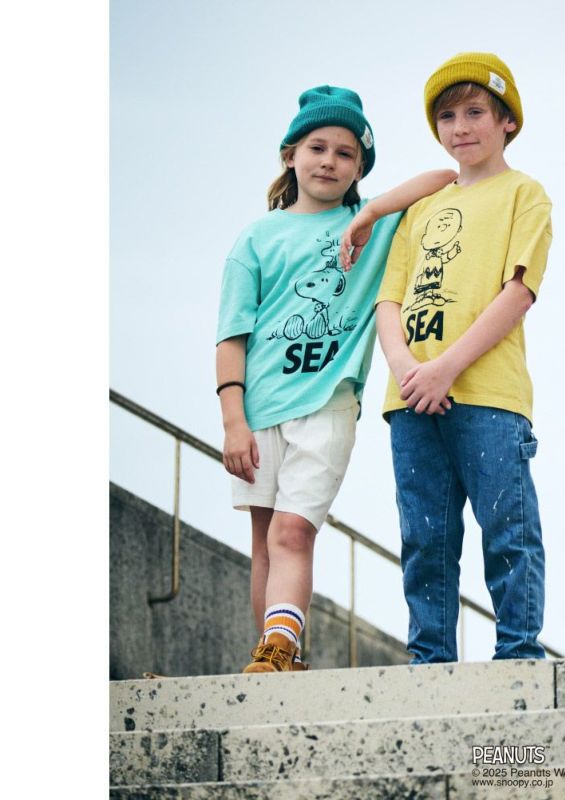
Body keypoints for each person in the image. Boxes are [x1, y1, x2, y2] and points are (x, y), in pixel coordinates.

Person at [216, 85, 455, 673]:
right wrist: (233, 423)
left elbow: (444, 177)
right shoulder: (256, 238)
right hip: (259, 410)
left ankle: (282, 647)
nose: (329, 161)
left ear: (359, 169)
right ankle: (275, 658)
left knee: (293, 533)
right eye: (317, 147)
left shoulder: (370, 226)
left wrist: (369, 213)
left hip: (327, 404)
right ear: (290, 155)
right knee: (265, 542)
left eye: (346, 153)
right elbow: (231, 337)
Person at [371, 52, 553, 662]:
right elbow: (389, 299)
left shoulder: (524, 194)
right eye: (447, 117)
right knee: (425, 540)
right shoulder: (421, 209)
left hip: (488, 395)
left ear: (507, 121)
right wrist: (406, 370)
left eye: (475, 112)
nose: (460, 127)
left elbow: (518, 293)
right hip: (410, 398)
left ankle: (518, 656)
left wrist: (445, 368)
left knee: (508, 530)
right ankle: (429, 663)